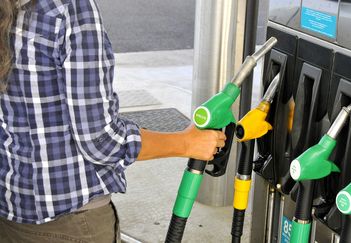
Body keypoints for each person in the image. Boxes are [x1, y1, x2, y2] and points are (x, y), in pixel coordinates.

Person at [0, 0, 226, 242]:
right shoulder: (69, 9)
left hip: (10, 210)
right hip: (70, 223)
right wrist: (186, 143)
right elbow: (100, 141)